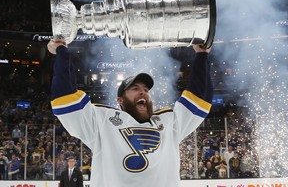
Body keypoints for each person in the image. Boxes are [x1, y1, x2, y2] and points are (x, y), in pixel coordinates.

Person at [48, 40, 213, 187]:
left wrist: (202, 55)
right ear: (120, 100)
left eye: (146, 90)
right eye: (135, 89)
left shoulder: (168, 123)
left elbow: (199, 99)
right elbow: (66, 99)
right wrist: (62, 52)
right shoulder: (102, 121)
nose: (143, 93)